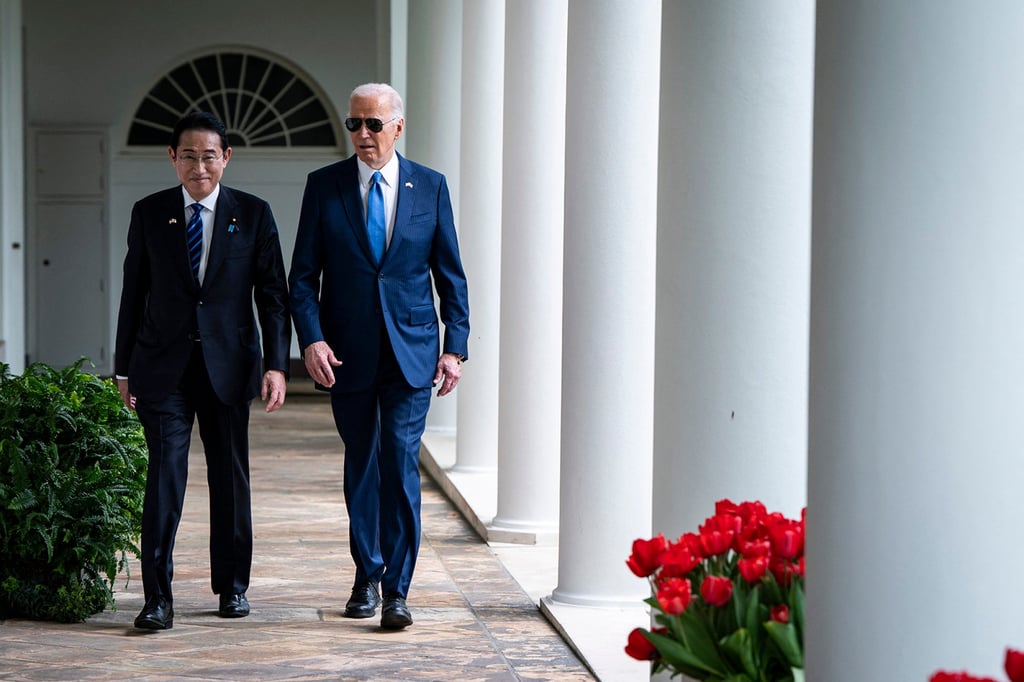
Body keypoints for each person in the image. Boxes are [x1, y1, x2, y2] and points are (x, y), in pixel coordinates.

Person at [289, 82, 470, 630]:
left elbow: (451, 276)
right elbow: (301, 278)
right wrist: (312, 339)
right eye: (354, 124)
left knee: (398, 457)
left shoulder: (430, 187)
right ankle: (366, 572)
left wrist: (455, 348)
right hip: (345, 354)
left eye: (373, 124)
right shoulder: (324, 187)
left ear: (398, 126)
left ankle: (397, 588)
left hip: (412, 350)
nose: (362, 134)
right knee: (361, 461)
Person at [114, 111, 291, 630]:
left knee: (229, 478)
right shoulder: (149, 213)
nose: (199, 167)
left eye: (209, 156)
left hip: (230, 367)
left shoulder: (253, 214)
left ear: (226, 157)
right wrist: (123, 369)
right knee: (165, 477)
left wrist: (278, 365)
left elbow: (273, 297)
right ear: (172, 158)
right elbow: (133, 295)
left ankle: (233, 588)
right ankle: (157, 598)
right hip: (161, 368)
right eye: (188, 156)